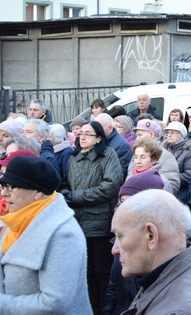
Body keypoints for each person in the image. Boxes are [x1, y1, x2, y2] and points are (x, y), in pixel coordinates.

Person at [0, 155, 92, 314]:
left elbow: (55, 302)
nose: (4, 193)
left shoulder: (63, 234)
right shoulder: (17, 219)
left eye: (11, 186)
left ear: (38, 192)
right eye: (4, 185)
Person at [112, 190, 191, 314]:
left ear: (151, 236)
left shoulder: (182, 310)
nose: (114, 250)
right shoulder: (173, 279)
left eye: (120, 236)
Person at [60, 120, 124, 313]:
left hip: (99, 221)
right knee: (85, 271)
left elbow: (111, 186)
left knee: (102, 271)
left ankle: (104, 308)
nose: (83, 137)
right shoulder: (74, 158)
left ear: (98, 138)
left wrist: (77, 196)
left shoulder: (108, 155)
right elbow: (65, 183)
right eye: (81, 134)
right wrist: (65, 194)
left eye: (88, 134)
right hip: (77, 221)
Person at [103, 169, 166, 315]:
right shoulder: (120, 241)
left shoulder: (160, 252)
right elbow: (113, 288)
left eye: (130, 202)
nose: (122, 208)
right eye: (122, 202)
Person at [163, 121, 191, 205]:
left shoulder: (189, 151)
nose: (169, 135)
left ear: (182, 135)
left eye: (173, 132)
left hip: (180, 192)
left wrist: (168, 178)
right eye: (167, 132)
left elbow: (189, 175)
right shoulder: (163, 148)